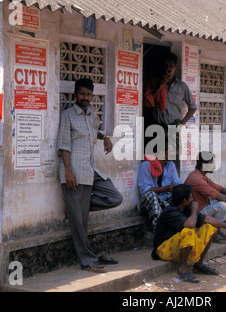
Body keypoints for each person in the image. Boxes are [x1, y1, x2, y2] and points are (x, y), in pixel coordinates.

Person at [57, 78, 122, 273]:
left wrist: (106, 137)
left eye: (89, 95)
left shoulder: (92, 115)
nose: (85, 98)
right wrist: (68, 170)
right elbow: (64, 145)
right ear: (75, 94)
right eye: (82, 94)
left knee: (115, 197)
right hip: (74, 172)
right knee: (79, 224)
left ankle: (75, 208)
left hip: (90, 170)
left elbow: (94, 131)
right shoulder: (68, 115)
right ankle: (87, 260)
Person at [152, 184, 226, 283]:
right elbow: (190, 224)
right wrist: (194, 209)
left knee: (209, 228)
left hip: (177, 245)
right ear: (184, 201)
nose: (193, 200)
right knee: (188, 231)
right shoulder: (170, 212)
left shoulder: (185, 209)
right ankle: (182, 269)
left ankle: (199, 265)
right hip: (163, 249)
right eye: (190, 197)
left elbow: (207, 219)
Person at [143, 52, 197, 160]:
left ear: (175, 67)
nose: (168, 69)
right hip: (158, 125)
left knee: (171, 158)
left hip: (174, 126)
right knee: (156, 158)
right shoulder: (154, 83)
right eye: (166, 66)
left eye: (171, 66)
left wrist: (181, 124)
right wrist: (160, 85)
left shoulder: (182, 86)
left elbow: (193, 107)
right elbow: (149, 102)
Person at [185, 152, 226, 240]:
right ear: (204, 164)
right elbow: (218, 196)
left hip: (202, 208)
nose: (214, 165)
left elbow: (219, 188)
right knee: (222, 205)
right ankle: (214, 234)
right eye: (211, 162)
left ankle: (217, 231)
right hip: (194, 213)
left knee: (224, 201)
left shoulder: (201, 176)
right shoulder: (196, 178)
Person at [137, 145, 181, 230]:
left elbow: (177, 183)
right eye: (171, 151)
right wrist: (166, 188)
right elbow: (144, 190)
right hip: (148, 203)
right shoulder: (146, 165)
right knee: (151, 195)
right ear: (162, 153)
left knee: (181, 194)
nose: (174, 153)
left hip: (164, 201)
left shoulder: (170, 165)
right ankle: (159, 230)